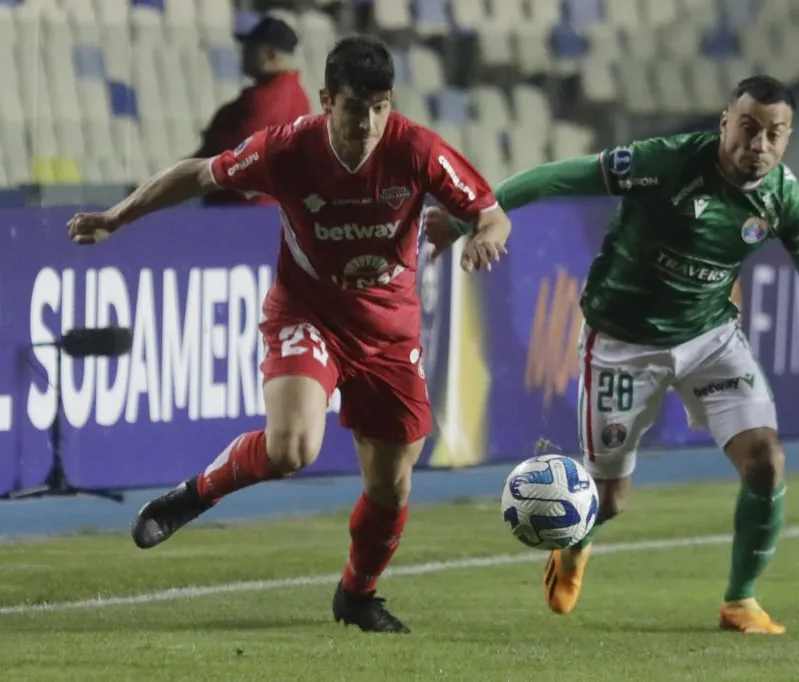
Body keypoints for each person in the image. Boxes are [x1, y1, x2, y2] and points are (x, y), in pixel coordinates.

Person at [67, 35, 512, 634]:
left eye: (381, 106)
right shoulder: (287, 148)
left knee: (391, 484)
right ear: (327, 100)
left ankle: (357, 595)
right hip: (308, 314)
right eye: (356, 107)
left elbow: (490, 210)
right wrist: (118, 217)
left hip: (389, 332)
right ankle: (195, 494)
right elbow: (199, 174)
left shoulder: (418, 149)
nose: (370, 122)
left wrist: (486, 234)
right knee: (291, 448)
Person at [426, 75, 799, 635]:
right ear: (724, 123)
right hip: (622, 343)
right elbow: (557, 177)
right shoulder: (665, 163)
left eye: (774, 134)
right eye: (749, 128)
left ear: (787, 138)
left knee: (767, 461)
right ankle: (572, 547)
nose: (759, 145)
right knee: (609, 500)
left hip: (710, 339)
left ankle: (740, 602)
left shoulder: (781, 195)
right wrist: (474, 216)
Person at [193, 13, 311, 206]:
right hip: (273, 210)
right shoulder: (298, 95)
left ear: (271, 54)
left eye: (251, 48)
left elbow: (235, 158)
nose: (243, 53)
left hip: (241, 211)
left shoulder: (263, 100)